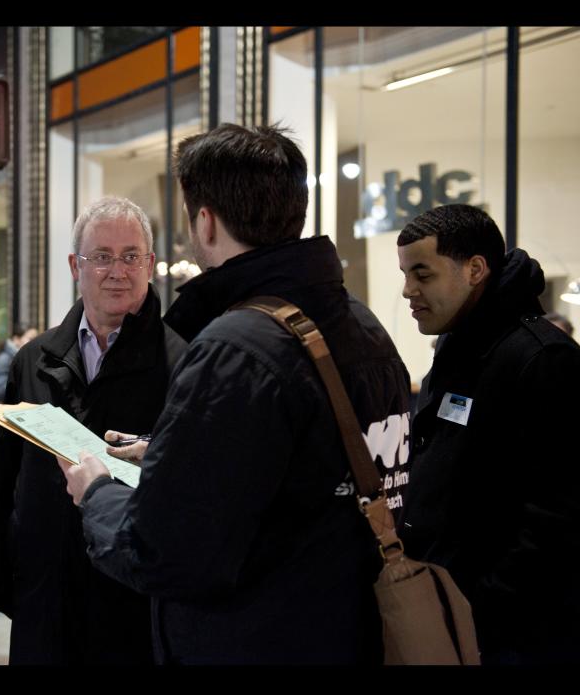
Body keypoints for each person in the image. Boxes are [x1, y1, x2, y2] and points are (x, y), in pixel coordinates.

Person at [59, 124, 412, 664]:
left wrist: (99, 491)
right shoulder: (364, 329)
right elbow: (302, 472)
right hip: (349, 631)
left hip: (254, 636)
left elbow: (166, 553)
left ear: (205, 220)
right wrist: (176, 456)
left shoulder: (236, 348)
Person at [0, 196, 187, 664]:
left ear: (150, 264)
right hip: (43, 602)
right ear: (75, 265)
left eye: (131, 256)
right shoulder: (34, 360)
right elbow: (3, 478)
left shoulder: (183, 365)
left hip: (131, 608)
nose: (118, 270)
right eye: (102, 257)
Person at [396, 204, 580, 664]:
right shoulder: (456, 345)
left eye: (422, 274)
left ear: (475, 269)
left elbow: (559, 515)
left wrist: (485, 606)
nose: (407, 291)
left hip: (512, 633)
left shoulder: (544, 359)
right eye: (405, 274)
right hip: (450, 611)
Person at [0, 324, 38, 404]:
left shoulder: (25, 357)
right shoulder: (5, 359)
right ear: (16, 339)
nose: (35, 342)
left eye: (37, 339)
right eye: (31, 339)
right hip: (5, 410)